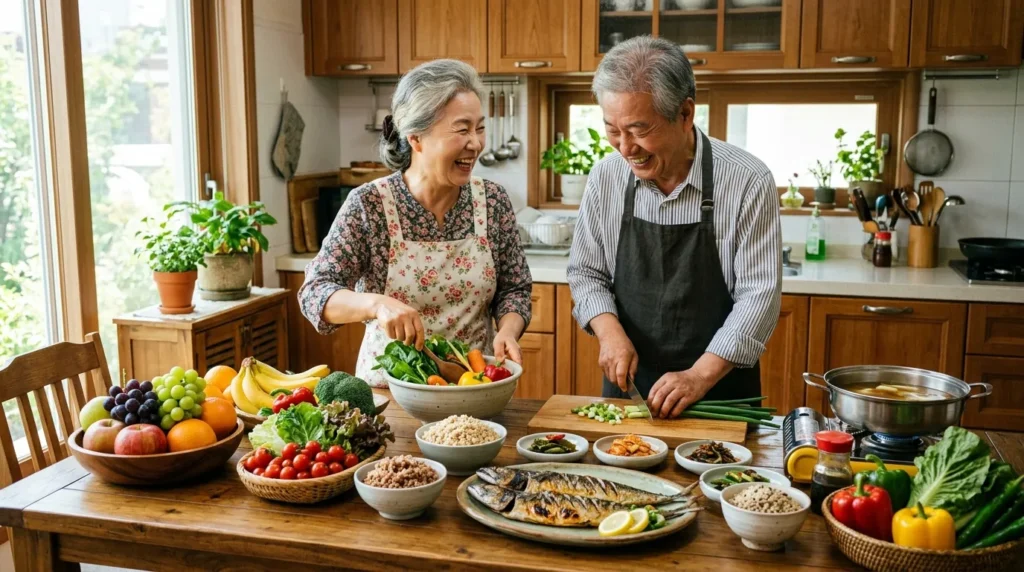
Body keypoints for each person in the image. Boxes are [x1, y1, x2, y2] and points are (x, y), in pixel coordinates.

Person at [567, 36, 782, 418]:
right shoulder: (607, 177)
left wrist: (699, 376)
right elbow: (586, 272)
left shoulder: (748, 180)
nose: (624, 148)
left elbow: (759, 296)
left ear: (685, 114)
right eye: (612, 130)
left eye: (638, 129)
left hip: (720, 394)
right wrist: (610, 333)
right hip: (630, 393)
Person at [298, 59, 532, 387]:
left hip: (473, 388)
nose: (476, 143)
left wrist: (508, 330)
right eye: (462, 129)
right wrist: (375, 304)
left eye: (479, 128)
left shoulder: (491, 202)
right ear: (416, 138)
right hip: (391, 392)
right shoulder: (371, 205)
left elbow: (515, 288)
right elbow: (315, 293)